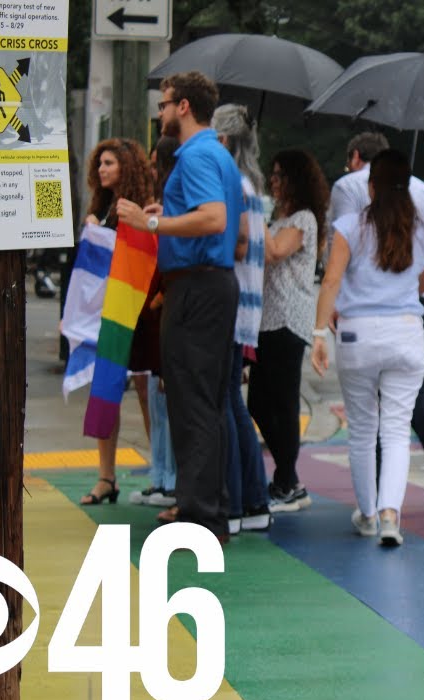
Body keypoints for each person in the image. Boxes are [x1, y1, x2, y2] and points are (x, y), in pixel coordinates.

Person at [116, 71, 243, 544]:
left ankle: (202, 514)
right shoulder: (218, 154)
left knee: (192, 402)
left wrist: (151, 225)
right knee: (205, 403)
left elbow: (213, 218)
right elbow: (228, 223)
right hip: (210, 285)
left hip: (197, 288)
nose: (161, 113)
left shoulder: (196, 155)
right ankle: (210, 509)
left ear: (184, 107)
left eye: (166, 104)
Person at [312, 149, 424, 547]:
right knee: (397, 432)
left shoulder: (349, 226)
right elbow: (423, 282)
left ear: (370, 186)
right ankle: (389, 516)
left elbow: (331, 281)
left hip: (357, 335)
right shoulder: (421, 229)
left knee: (363, 430)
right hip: (405, 333)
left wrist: (318, 333)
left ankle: (366, 513)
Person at [331, 132, 424, 501]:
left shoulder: (346, 188)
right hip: (409, 308)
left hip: (361, 312)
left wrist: (334, 307)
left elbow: (337, 254)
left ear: (357, 158)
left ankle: (373, 494)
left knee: (367, 405)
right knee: (413, 391)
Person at [77, 138, 156, 506]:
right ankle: (106, 476)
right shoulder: (103, 206)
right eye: (100, 164)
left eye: (109, 163)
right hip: (105, 312)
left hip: (137, 308)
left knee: (145, 389)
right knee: (105, 387)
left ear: (127, 166)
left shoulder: (137, 208)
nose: (102, 169)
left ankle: (161, 468)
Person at [251, 149, 330, 513]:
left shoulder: (304, 219)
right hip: (267, 318)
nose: (274, 180)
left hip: (288, 318)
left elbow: (275, 252)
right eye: (273, 173)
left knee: (282, 403)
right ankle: (287, 477)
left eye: (281, 175)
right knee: (258, 402)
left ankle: (287, 481)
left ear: (296, 180)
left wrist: (250, 214)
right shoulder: (278, 216)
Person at [213, 104, 272, 534]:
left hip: (228, 302)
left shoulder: (231, 183)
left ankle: (233, 504)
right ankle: (253, 501)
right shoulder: (252, 183)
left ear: (226, 141)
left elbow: (235, 243)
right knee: (233, 401)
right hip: (247, 303)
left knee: (225, 403)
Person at [129, 135, 179, 509]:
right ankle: (162, 476)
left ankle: (171, 479)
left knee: (168, 401)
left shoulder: (172, 207)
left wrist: (160, 297)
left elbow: (172, 253)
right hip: (158, 312)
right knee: (158, 401)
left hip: (168, 311)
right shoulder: (166, 206)